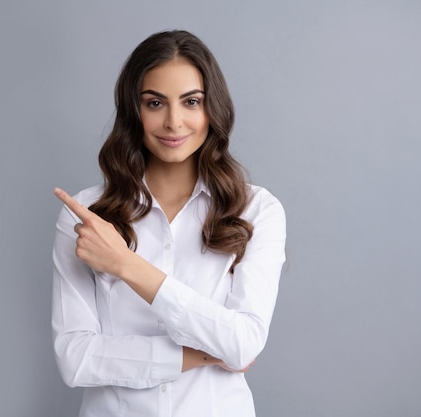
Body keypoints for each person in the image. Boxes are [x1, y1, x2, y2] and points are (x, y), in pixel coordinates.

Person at [52, 29, 286, 417]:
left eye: (191, 101)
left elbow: (244, 343)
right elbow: (75, 359)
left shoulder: (256, 210)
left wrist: (126, 265)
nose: (174, 122)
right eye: (155, 103)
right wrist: (202, 354)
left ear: (213, 108)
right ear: (134, 110)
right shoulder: (86, 216)